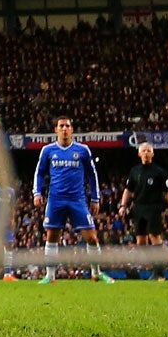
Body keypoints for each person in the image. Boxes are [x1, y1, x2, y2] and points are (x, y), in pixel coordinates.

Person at [31, 116, 112, 283]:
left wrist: (95, 198)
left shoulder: (83, 150)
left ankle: (96, 272)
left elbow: (92, 174)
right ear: (56, 130)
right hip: (56, 200)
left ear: (72, 129)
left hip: (78, 200)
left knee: (92, 237)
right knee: (52, 236)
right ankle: (50, 276)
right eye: (61, 126)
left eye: (67, 126)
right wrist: (37, 193)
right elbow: (39, 173)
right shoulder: (48, 150)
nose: (64, 129)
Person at [118, 143, 168, 279]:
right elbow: (128, 190)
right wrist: (123, 205)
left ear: (152, 154)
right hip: (138, 208)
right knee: (140, 242)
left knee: (154, 237)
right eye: (143, 151)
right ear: (139, 154)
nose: (146, 153)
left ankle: (159, 273)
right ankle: (155, 267)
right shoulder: (134, 171)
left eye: (148, 151)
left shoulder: (159, 172)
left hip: (153, 208)